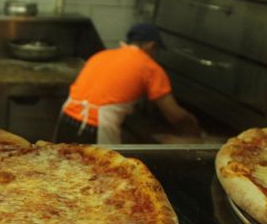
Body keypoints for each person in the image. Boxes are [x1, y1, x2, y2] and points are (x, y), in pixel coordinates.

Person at [54, 23, 200, 144]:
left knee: (63, 168)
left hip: (66, 119)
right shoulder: (150, 67)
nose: (155, 55)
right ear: (151, 45)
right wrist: (195, 131)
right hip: (97, 128)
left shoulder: (102, 55)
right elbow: (175, 115)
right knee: (105, 170)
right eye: (156, 51)